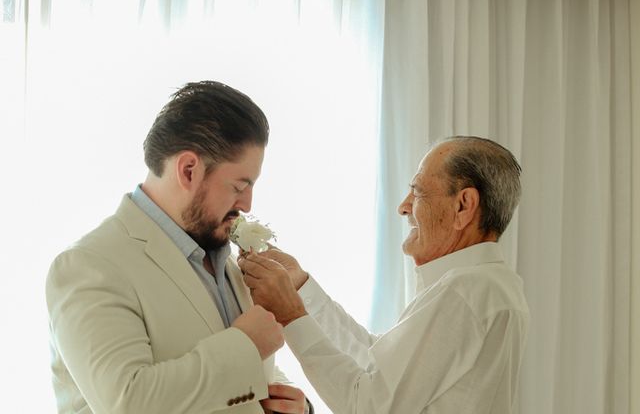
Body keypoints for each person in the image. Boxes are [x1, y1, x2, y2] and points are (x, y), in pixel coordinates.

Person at [46, 81, 311, 414]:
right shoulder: (88, 265)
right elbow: (127, 401)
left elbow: (242, 379)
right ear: (189, 170)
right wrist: (245, 346)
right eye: (239, 186)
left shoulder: (226, 259)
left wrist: (293, 404)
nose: (247, 203)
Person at [239, 136, 530, 414]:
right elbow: (375, 364)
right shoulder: (492, 286)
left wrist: (291, 314)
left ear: (463, 205)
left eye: (417, 191)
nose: (404, 207)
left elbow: (366, 406)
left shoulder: (466, 291)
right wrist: (301, 287)